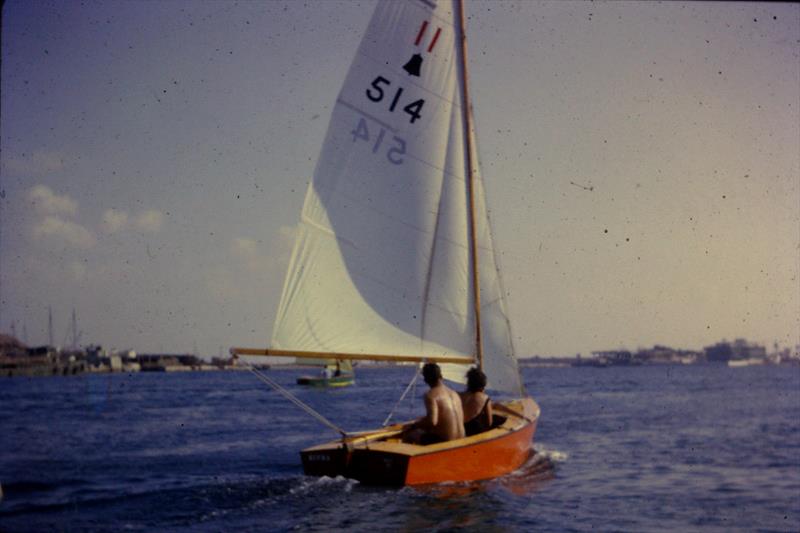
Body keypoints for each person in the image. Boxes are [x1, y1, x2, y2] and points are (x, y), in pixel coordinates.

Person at [403, 363, 465, 445]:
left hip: (445, 442)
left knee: (410, 434)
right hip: (462, 439)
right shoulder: (454, 394)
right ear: (441, 376)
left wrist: (414, 425)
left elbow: (432, 422)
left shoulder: (431, 395)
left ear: (425, 380)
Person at [460, 367, 493, 436]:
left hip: (461, 433)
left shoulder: (459, 396)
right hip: (476, 435)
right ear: (482, 384)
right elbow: (489, 423)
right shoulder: (485, 398)